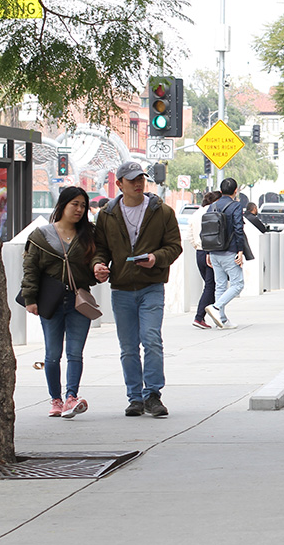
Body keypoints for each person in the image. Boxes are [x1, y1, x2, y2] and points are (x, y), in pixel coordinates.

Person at [93, 161, 183, 418]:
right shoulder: (107, 215)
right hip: (121, 288)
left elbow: (174, 246)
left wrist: (155, 258)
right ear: (119, 184)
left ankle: (152, 394)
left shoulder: (162, 211)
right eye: (131, 180)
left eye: (141, 178)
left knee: (152, 339)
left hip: (151, 285)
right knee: (128, 346)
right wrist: (99, 265)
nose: (138, 183)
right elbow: (100, 248)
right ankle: (134, 397)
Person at [21, 186, 97, 419]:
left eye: (83, 205)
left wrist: (99, 271)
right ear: (62, 205)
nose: (79, 209)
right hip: (51, 301)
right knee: (53, 354)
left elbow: (96, 263)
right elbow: (30, 269)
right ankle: (55, 399)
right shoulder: (41, 236)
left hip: (79, 301)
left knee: (75, 353)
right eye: (74, 204)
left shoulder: (89, 235)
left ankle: (71, 397)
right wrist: (30, 299)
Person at [204, 177, 247, 330]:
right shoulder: (235, 206)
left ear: (221, 191)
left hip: (214, 251)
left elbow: (208, 229)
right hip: (229, 250)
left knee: (220, 286)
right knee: (238, 284)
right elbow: (238, 228)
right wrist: (240, 250)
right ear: (236, 191)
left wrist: (208, 252)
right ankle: (216, 308)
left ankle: (221, 320)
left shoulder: (213, 206)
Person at [189, 190, 222, 329]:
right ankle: (199, 317)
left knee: (210, 285)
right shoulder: (211, 213)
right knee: (211, 286)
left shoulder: (196, 214)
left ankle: (212, 314)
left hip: (199, 252)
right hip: (210, 252)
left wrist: (197, 246)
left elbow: (190, 235)